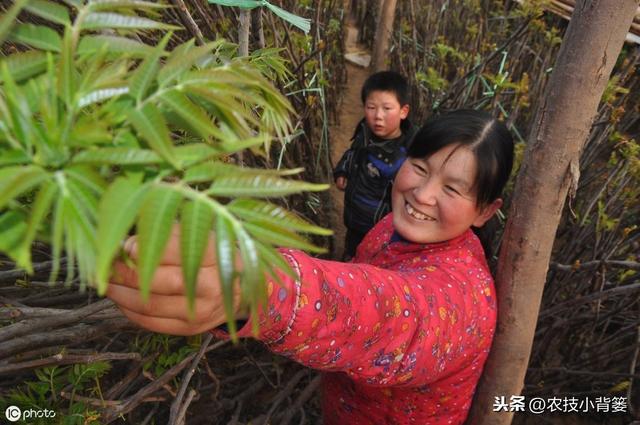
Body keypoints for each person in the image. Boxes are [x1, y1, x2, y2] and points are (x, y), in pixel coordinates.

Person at [106, 109, 514, 425]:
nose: (422, 194)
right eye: (420, 168)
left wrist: (261, 288)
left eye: (452, 189)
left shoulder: (465, 296)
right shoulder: (392, 226)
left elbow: (391, 314)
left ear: (485, 211)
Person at [334, 71, 415, 260]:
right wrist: (343, 170)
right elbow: (353, 152)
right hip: (354, 221)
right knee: (350, 254)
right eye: (371, 107)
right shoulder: (364, 131)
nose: (378, 116)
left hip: (380, 232)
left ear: (403, 111)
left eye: (387, 108)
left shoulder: (407, 156)